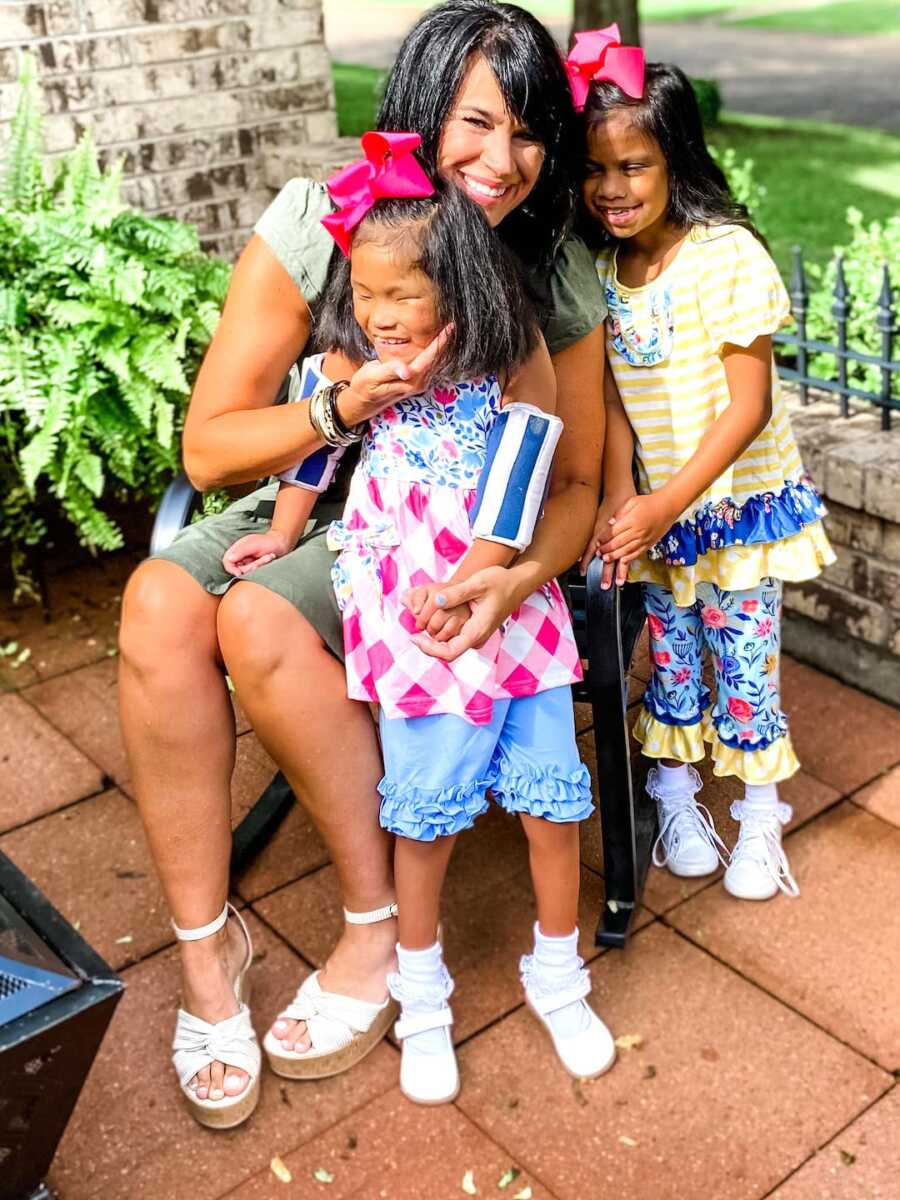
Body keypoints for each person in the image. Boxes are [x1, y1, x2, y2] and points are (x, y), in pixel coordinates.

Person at [117, 0, 607, 1128]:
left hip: (455, 539)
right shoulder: (324, 221)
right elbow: (210, 444)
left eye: (532, 133)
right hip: (324, 485)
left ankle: (373, 927)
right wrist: (341, 408)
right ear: (423, 108)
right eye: (478, 123)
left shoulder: (548, 268)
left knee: (254, 624)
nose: (504, 160)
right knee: (154, 603)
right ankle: (208, 953)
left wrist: (517, 575)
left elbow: (571, 481)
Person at [229, 140, 614, 1104]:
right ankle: (424, 988)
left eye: (401, 295)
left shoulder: (509, 348)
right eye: (364, 293)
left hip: (504, 601)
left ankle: (557, 971)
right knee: (426, 811)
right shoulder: (354, 359)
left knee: (552, 799)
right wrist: (281, 535)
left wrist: (490, 574)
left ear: (457, 284)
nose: (379, 313)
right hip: (409, 616)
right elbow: (314, 457)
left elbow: (530, 459)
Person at [577, 55, 834, 903]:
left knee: (745, 664)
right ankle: (677, 795)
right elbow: (616, 403)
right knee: (675, 662)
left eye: (633, 165)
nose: (611, 187)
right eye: (595, 168)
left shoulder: (725, 256)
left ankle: (761, 812)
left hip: (733, 512)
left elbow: (748, 406)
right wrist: (623, 503)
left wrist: (664, 501)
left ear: (677, 161)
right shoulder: (605, 274)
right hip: (657, 513)